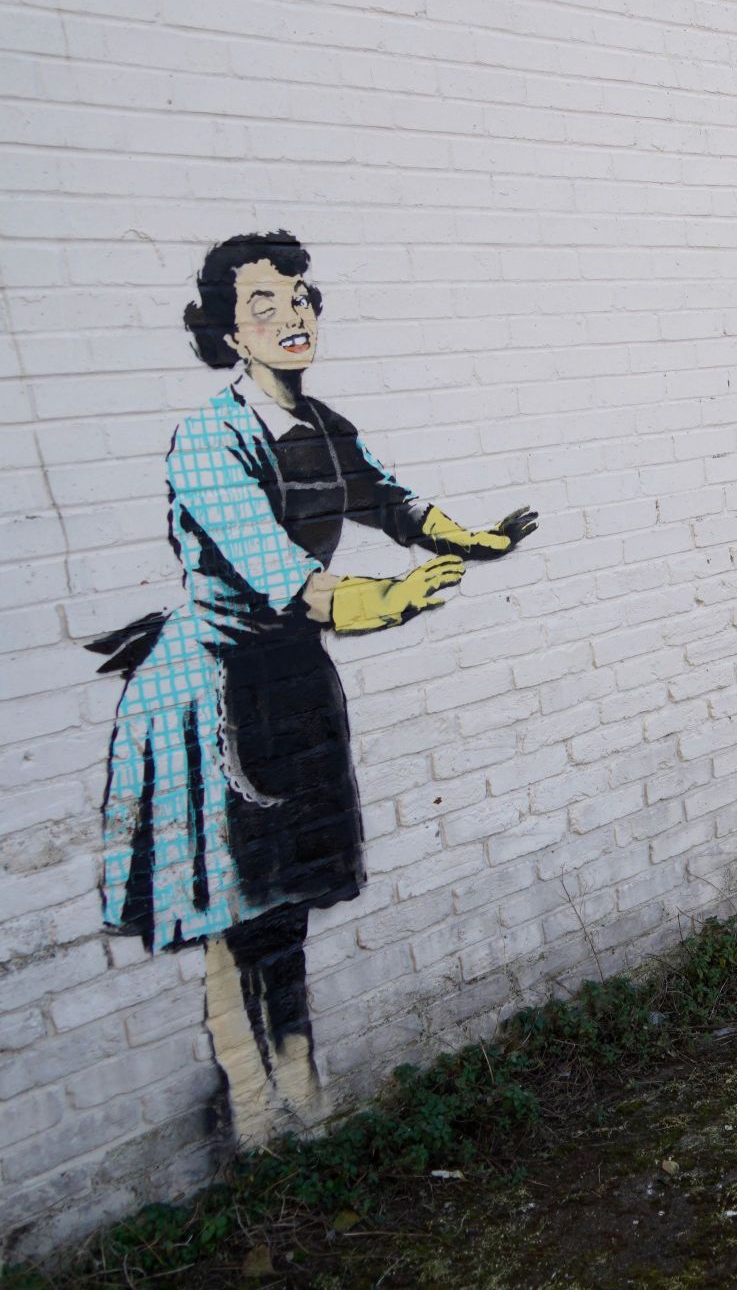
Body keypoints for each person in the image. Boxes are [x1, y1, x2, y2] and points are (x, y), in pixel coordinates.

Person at [89, 232, 537, 1146]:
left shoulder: (323, 425)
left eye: (302, 296)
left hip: (292, 686)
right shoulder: (210, 439)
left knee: (286, 895)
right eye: (265, 304)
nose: (293, 316)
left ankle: (304, 1082)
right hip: (211, 694)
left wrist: (470, 538)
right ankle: (252, 1102)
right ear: (225, 331)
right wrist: (397, 599)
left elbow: (392, 500)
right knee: (229, 906)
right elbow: (287, 577)